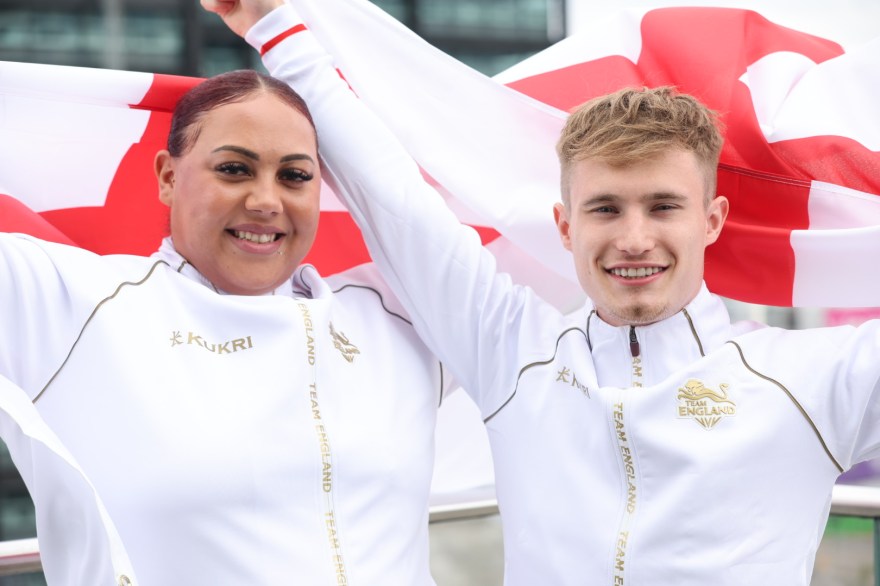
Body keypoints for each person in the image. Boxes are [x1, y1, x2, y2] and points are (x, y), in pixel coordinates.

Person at [204, 1, 880, 584]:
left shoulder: (812, 379)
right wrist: (274, 24)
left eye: (663, 207)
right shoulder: (512, 349)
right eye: (606, 209)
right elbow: (395, 198)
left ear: (712, 221)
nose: (634, 238)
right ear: (565, 224)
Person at [0, 68, 451, 584]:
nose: (265, 201)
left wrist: (285, 33)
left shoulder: (401, 319)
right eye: (235, 169)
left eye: (295, 175)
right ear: (168, 177)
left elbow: (517, 221)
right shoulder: (71, 304)